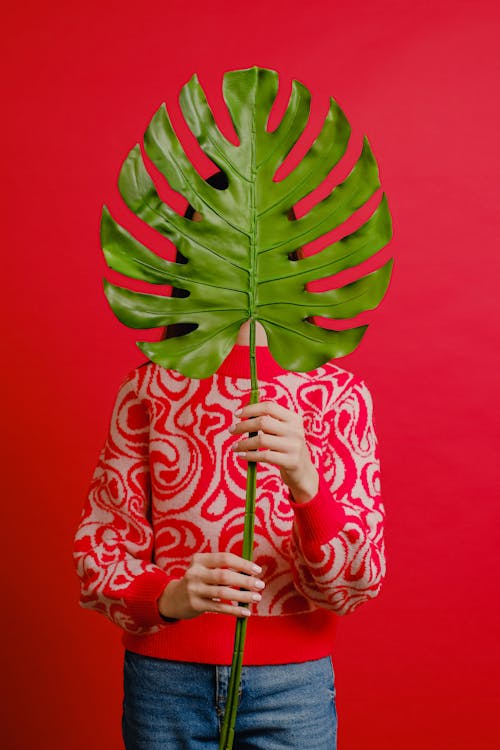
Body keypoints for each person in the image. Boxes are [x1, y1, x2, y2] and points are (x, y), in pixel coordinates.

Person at [73, 173, 385, 750]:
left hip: (295, 687)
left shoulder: (337, 396)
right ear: (191, 253)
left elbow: (354, 584)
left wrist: (306, 482)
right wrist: (166, 598)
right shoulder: (150, 388)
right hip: (165, 682)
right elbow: (101, 554)